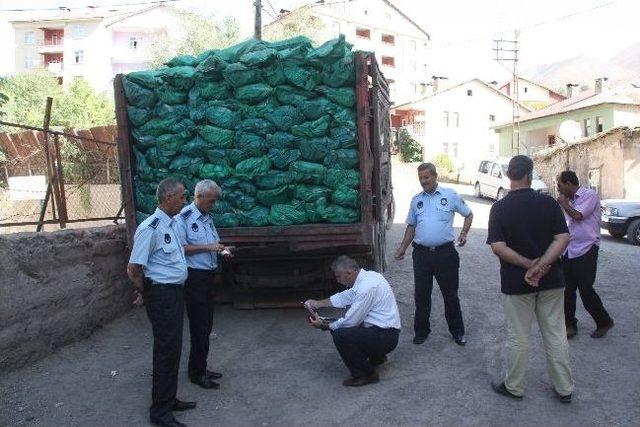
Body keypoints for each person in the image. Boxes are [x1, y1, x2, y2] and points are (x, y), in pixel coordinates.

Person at [487, 155, 574, 403]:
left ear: (509, 175)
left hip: (516, 284)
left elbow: (498, 247)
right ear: (529, 174)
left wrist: (529, 266)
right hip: (552, 280)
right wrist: (543, 264)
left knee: (518, 337)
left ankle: (514, 387)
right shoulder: (548, 203)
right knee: (556, 335)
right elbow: (563, 238)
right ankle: (564, 389)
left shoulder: (500, 208)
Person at [127, 178, 194, 427]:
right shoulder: (150, 228)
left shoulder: (173, 223)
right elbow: (133, 268)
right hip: (162, 295)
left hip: (174, 294)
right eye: (181, 197)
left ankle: (169, 399)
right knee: (166, 351)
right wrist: (146, 292)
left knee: (173, 349)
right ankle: (160, 413)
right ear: (168, 199)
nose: (184, 201)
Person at [394, 162, 473, 346]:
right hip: (421, 255)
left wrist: (463, 233)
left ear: (435, 176)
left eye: (426, 177)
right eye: (420, 178)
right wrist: (403, 247)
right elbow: (411, 226)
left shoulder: (450, 195)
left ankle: (457, 332)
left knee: (450, 295)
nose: (423, 181)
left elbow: (468, 214)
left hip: (445, 254)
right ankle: (421, 331)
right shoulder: (416, 200)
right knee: (421, 295)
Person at [305, 256, 401, 387]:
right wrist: (318, 303)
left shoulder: (367, 287)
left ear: (349, 273)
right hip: (385, 331)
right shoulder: (369, 277)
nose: (338, 280)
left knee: (340, 334)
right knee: (342, 327)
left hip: (386, 336)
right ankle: (377, 357)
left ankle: (366, 374)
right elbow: (345, 297)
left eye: (338, 277)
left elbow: (350, 321)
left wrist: (324, 325)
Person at [174, 180, 233, 390]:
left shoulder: (208, 218)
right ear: (198, 197)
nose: (213, 205)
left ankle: (201, 366)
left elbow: (212, 244)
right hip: (194, 277)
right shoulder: (184, 218)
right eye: (210, 201)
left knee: (206, 325)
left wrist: (221, 250)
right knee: (199, 326)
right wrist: (209, 247)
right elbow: (181, 248)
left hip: (208, 276)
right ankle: (196, 373)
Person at [556, 170, 614, 339]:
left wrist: (563, 203)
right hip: (570, 249)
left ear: (568, 183)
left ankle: (604, 321)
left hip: (587, 248)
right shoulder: (570, 199)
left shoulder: (589, 195)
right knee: (567, 290)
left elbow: (577, 216)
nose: (558, 189)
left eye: (560, 185)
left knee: (585, 288)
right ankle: (570, 325)